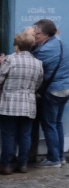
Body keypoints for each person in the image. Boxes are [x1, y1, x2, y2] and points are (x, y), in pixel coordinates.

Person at [0, 29, 43, 174]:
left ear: (17, 45)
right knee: (25, 135)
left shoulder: (10, 60)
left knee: (9, 134)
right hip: (28, 103)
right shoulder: (38, 63)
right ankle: (23, 164)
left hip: (9, 103)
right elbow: (38, 84)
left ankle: (7, 164)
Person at [31, 18, 69, 166]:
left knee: (49, 124)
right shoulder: (62, 44)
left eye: (38, 34)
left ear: (46, 35)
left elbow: (33, 64)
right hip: (65, 88)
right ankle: (60, 156)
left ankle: (53, 159)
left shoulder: (44, 50)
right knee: (57, 123)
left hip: (53, 91)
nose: (35, 36)